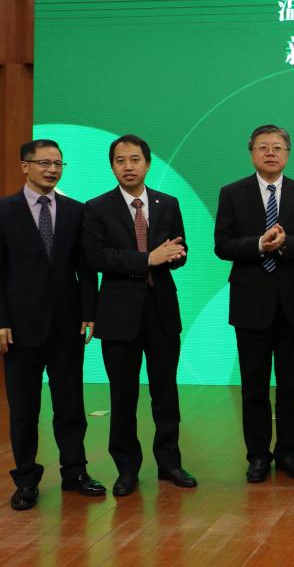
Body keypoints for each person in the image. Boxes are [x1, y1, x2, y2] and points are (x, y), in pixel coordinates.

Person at [83, 134, 196, 496]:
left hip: (162, 311)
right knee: (123, 395)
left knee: (166, 393)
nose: (128, 166)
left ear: (148, 163)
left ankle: (170, 463)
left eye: (135, 159)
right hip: (118, 314)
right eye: (120, 160)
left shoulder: (168, 203)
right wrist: (148, 258)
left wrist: (174, 255)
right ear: (112, 166)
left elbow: (180, 251)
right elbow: (97, 257)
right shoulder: (96, 208)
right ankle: (127, 468)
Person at [214, 124, 294, 483]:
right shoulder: (232, 193)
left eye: (277, 147)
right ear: (252, 153)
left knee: (292, 387)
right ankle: (258, 456)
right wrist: (259, 244)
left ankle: (289, 453)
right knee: (254, 387)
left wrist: (286, 243)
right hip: (250, 304)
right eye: (263, 147)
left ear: (288, 154)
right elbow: (222, 246)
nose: (270, 152)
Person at [0, 140, 104, 510]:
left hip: (67, 324)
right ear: (24, 166)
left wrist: (89, 312)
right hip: (20, 327)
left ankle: (75, 473)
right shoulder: (4, 210)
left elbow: (86, 268)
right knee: (24, 411)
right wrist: (1, 320)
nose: (52, 169)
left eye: (58, 163)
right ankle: (26, 481)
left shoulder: (76, 211)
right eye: (44, 163)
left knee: (71, 405)